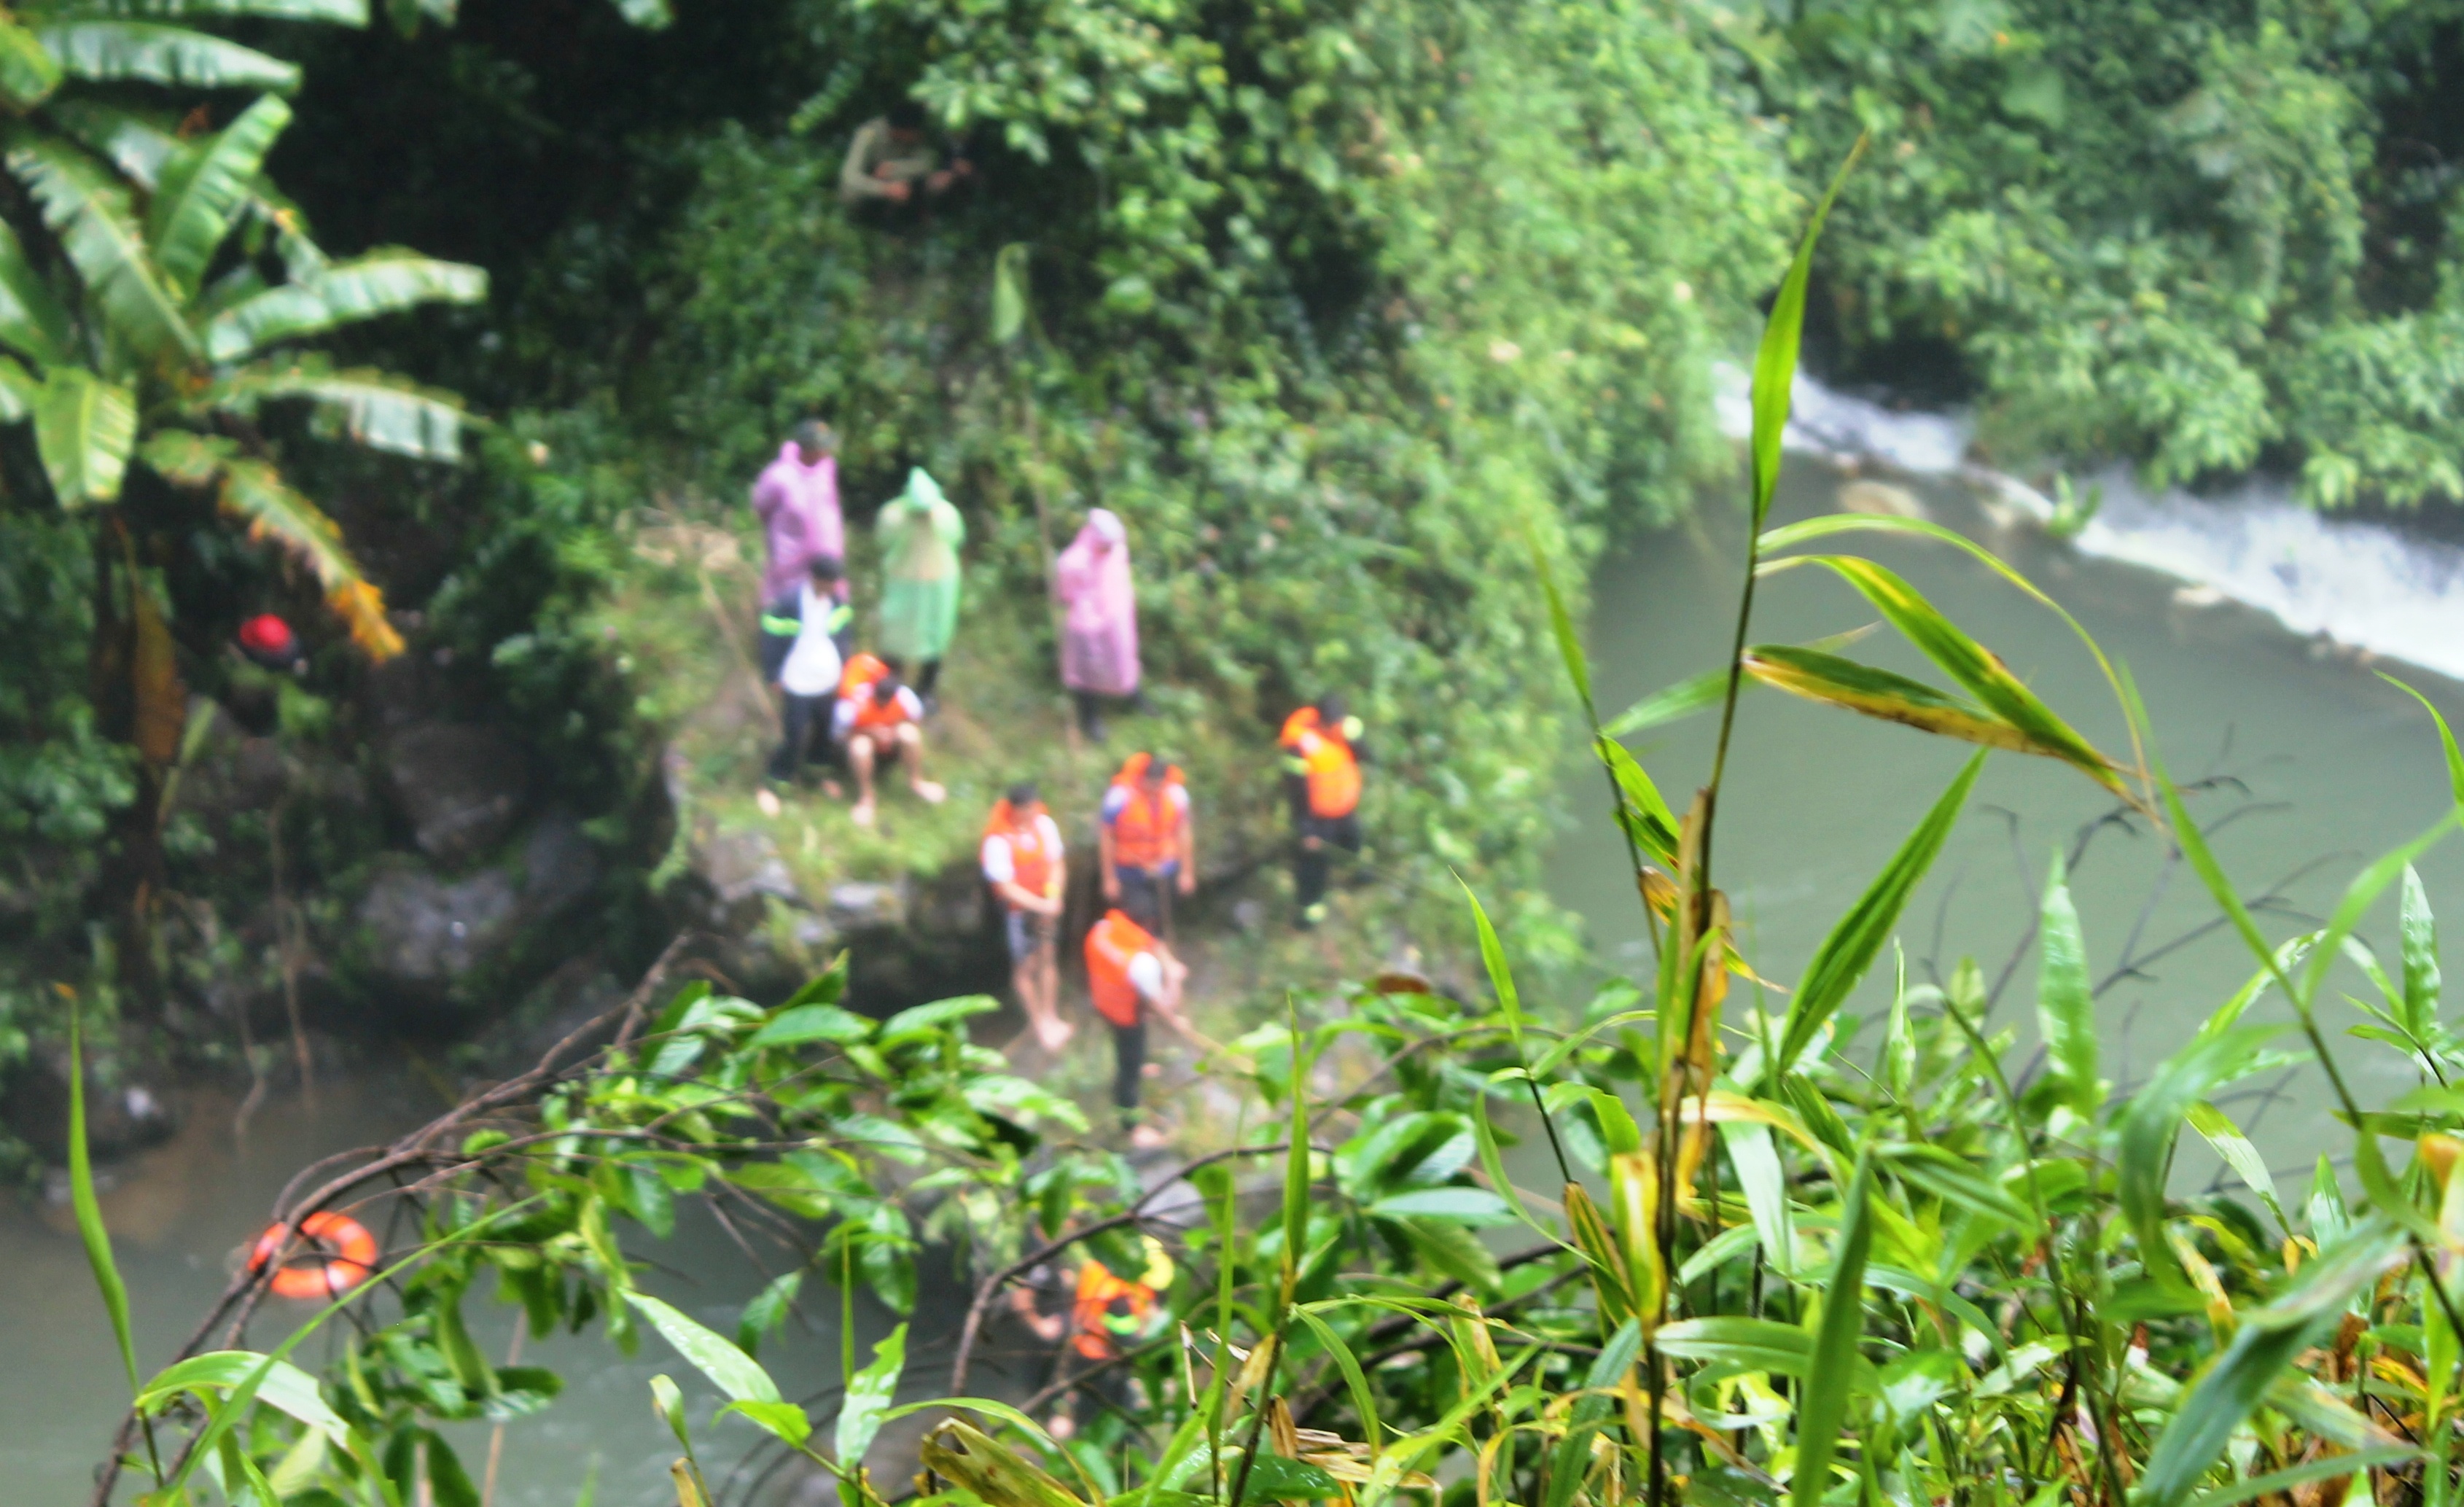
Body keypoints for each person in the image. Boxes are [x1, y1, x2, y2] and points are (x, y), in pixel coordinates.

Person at [1084, 906, 1196, 1144]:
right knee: (1128, 1068)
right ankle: (1131, 1127)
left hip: (1104, 999)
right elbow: (1158, 1008)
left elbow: (1150, 945)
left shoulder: (1105, 929)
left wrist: (1170, 970)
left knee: (1129, 1050)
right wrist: (1177, 1024)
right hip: (1125, 1015)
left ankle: (1140, 1065)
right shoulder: (1142, 965)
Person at [983, 782, 1067, 1051]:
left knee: (1048, 956)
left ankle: (1051, 1015)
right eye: (1027, 809)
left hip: (1044, 903)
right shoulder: (998, 840)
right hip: (1019, 913)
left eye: (1034, 807)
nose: (1032, 813)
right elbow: (1007, 888)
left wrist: (1052, 896)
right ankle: (1038, 1022)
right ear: (1015, 809)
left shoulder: (1044, 825)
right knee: (1024, 967)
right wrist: (1042, 906)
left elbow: (1056, 864)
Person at [1053, 508, 1146, 741]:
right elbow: (1067, 594)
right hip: (1087, 624)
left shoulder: (1117, 549)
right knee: (1087, 671)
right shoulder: (1073, 562)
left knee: (1123, 660)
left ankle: (1134, 698)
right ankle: (1091, 719)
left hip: (1116, 618)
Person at [759, 556, 854, 783]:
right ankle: (778, 779)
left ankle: (818, 775)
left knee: (824, 732)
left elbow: (845, 638)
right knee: (795, 733)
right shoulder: (788, 603)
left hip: (828, 679)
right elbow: (770, 640)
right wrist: (773, 674)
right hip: (797, 680)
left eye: (835, 583)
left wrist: (845, 671)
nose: (831, 588)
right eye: (828, 583)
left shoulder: (837, 603)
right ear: (815, 579)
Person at [876, 467, 966, 707]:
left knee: (936, 638)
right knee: (895, 638)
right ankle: (888, 690)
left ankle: (926, 692)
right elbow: (884, 540)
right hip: (903, 583)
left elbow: (956, 537)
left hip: (939, 585)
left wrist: (933, 521)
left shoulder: (946, 513)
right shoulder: (894, 513)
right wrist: (908, 524)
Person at [1279, 696, 1365, 928]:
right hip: (1317, 817)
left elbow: (1365, 755)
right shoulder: (1299, 746)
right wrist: (1307, 830)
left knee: (1354, 840)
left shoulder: (1344, 731)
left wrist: (1356, 739)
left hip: (1344, 810)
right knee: (1314, 865)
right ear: (1321, 721)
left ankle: (1357, 873)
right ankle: (1308, 911)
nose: (1336, 729)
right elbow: (1296, 791)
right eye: (1332, 724)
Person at [833, 652, 946, 825]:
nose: (882, 705)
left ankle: (916, 782)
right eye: (879, 700)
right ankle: (866, 797)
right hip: (863, 744)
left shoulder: (904, 697)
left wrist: (892, 731)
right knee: (860, 747)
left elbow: (916, 721)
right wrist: (870, 732)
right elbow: (838, 736)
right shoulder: (853, 704)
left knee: (910, 734)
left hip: (891, 743)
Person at [1099, 752, 1193, 932]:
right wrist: (1109, 878)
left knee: (1161, 918)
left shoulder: (1176, 796)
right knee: (1141, 916)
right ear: (1142, 780)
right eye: (1151, 784)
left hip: (1165, 869)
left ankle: (1157, 954)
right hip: (1130, 870)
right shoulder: (1119, 797)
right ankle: (1151, 955)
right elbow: (1107, 838)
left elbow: (1183, 833)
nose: (1155, 790)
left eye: (1160, 785)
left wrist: (1187, 872)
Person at [752, 421, 845, 601]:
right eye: (822, 447)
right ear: (809, 450)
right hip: (791, 572)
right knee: (790, 622)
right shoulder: (778, 476)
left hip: (826, 571)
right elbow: (761, 508)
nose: (827, 452)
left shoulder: (827, 472)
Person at [838, 102, 973, 209]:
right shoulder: (868, 134)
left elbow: (929, 161)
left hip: (902, 186)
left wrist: (895, 168)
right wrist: (885, 189)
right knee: (850, 192)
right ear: (903, 131)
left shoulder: (917, 139)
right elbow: (850, 175)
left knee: (938, 182)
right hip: (870, 188)